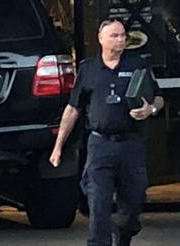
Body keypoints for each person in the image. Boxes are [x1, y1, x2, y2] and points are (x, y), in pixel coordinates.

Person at [49, 19, 164, 246]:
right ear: (100, 39)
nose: (120, 40)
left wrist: (149, 109)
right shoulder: (88, 69)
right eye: (114, 36)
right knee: (98, 202)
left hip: (131, 143)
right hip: (100, 144)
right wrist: (58, 146)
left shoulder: (138, 64)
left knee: (133, 203)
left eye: (123, 36)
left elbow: (159, 98)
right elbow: (73, 109)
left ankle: (123, 232)